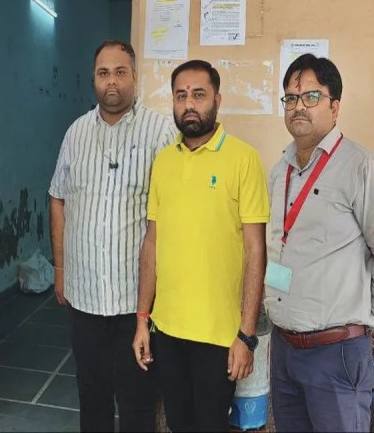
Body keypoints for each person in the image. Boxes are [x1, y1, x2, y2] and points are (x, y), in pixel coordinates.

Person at [132, 59, 269, 432]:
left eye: (198, 94)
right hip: (167, 331)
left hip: (219, 337)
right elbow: (152, 243)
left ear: (217, 100)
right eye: (181, 96)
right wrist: (143, 320)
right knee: (178, 424)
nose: (189, 104)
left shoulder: (244, 159)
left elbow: (256, 250)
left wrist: (246, 336)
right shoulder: (163, 162)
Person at [48, 40, 175, 432]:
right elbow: (57, 198)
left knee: (138, 400)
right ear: (94, 79)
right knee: (92, 395)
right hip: (84, 297)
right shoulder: (76, 133)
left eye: (120, 72)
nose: (112, 81)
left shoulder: (161, 132)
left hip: (135, 302)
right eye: (103, 73)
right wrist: (60, 269)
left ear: (135, 76)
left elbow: (174, 211)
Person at [264, 54, 374, 432]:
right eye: (291, 98)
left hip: (336, 353)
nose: (299, 106)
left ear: (335, 106)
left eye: (311, 96)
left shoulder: (359, 166)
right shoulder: (280, 169)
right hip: (284, 350)